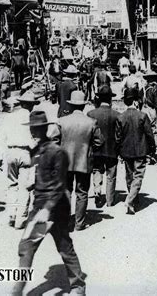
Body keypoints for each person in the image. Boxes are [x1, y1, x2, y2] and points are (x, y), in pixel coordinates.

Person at [15, 110, 86, 296]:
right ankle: (18, 288)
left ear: (43, 129)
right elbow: (37, 176)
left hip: (54, 208)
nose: (32, 132)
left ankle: (78, 285)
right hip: (40, 207)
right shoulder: (36, 151)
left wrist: (47, 210)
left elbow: (60, 184)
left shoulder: (57, 152)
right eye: (31, 128)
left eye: (36, 129)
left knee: (63, 246)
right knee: (27, 246)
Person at [57, 90, 104, 230]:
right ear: (83, 106)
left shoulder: (62, 121)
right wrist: (90, 149)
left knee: (65, 191)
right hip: (84, 161)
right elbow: (99, 141)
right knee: (82, 192)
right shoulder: (91, 122)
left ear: (70, 105)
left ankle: (64, 222)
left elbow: (54, 140)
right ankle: (79, 223)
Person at [0, 90, 40, 228]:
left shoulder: (9, 117)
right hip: (25, 153)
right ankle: (21, 217)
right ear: (32, 105)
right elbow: (35, 140)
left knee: (12, 185)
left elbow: (2, 138)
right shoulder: (32, 118)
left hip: (10, 151)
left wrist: (0, 156)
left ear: (21, 103)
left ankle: (11, 213)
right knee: (24, 187)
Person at [115, 88, 156, 215]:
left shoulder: (121, 117)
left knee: (129, 175)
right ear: (136, 101)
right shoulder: (142, 116)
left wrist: (118, 151)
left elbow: (117, 137)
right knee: (138, 176)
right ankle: (130, 200)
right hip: (140, 151)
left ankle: (133, 197)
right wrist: (152, 148)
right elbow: (149, 134)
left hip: (126, 151)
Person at [87, 85, 119, 208]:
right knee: (111, 175)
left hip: (96, 149)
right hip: (112, 150)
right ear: (110, 100)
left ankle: (97, 191)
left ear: (99, 99)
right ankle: (110, 200)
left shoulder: (91, 114)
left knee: (97, 170)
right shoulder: (116, 115)